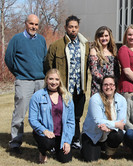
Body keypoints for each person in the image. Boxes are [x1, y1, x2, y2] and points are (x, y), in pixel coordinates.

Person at [44, 15, 89, 149]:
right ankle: (55, 141)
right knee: (58, 116)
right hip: (64, 89)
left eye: (75, 27)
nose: (73, 30)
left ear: (78, 28)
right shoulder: (56, 46)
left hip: (79, 88)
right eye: (70, 27)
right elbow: (48, 66)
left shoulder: (85, 45)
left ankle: (75, 139)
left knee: (76, 117)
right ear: (65, 28)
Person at [4, 14, 47, 154]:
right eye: (31, 24)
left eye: (36, 24)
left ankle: (41, 140)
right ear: (25, 24)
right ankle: (15, 143)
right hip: (23, 81)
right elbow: (9, 58)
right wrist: (18, 73)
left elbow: (44, 59)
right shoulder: (17, 39)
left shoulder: (41, 40)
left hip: (40, 81)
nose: (33, 27)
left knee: (42, 113)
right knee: (20, 113)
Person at [28, 69, 75, 163]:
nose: (54, 82)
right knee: (47, 143)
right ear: (46, 80)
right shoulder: (37, 96)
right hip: (44, 133)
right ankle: (42, 152)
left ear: (60, 81)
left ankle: (56, 148)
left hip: (60, 135)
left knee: (65, 159)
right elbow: (32, 119)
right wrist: (44, 131)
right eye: (51, 79)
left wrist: (67, 141)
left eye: (57, 79)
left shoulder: (67, 97)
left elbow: (71, 121)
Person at [81, 75, 127, 162]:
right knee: (91, 159)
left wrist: (109, 128)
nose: (108, 87)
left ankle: (109, 153)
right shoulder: (95, 99)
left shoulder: (122, 100)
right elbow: (98, 120)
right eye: (105, 85)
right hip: (93, 135)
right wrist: (115, 124)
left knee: (118, 135)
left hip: (109, 133)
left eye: (111, 84)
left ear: (115, 86)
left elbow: (122, 121)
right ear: (102, 86)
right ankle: (85, 147)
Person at [89, 26, 120, 96]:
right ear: (97, 38)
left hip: (111, 88)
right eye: (101, 36)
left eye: (106, 36)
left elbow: (117, 72)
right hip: (98, 88)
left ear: (110, 37)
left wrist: (113, 84)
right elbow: (94, 71)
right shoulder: (94, 51)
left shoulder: (113, 51)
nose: (104, 38)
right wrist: (107, 82)